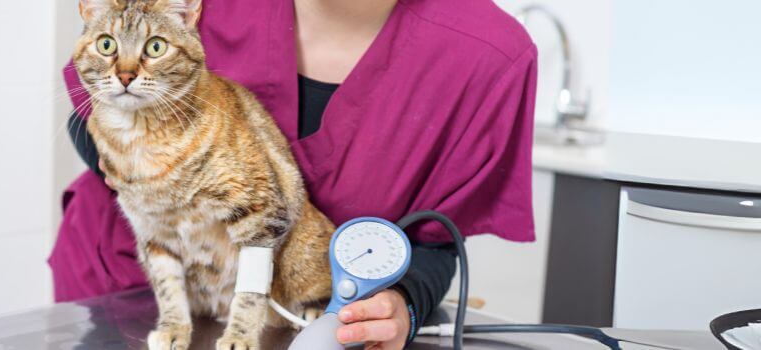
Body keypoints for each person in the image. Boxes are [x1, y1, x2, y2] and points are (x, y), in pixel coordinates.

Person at [52, 0, 537, 348]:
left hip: (310, 310)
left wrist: (403, 304)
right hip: (129, 285)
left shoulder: (486, 55)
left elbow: (435, 236)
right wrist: (132, 167)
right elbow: (87, 94)